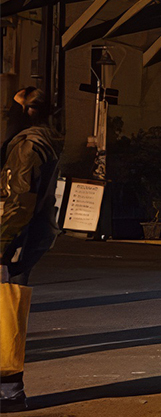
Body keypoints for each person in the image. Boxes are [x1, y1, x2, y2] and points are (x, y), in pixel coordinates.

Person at [0, 83, 63, 413]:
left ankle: (10, 392)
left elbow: (20, 202)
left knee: (7, 313)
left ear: (27, 112)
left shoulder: (27, 146)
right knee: (9, 311)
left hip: (16, 237)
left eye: (14, 106)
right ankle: (10, 390)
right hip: (28, 235)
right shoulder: (43, 139)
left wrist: (1, 242)